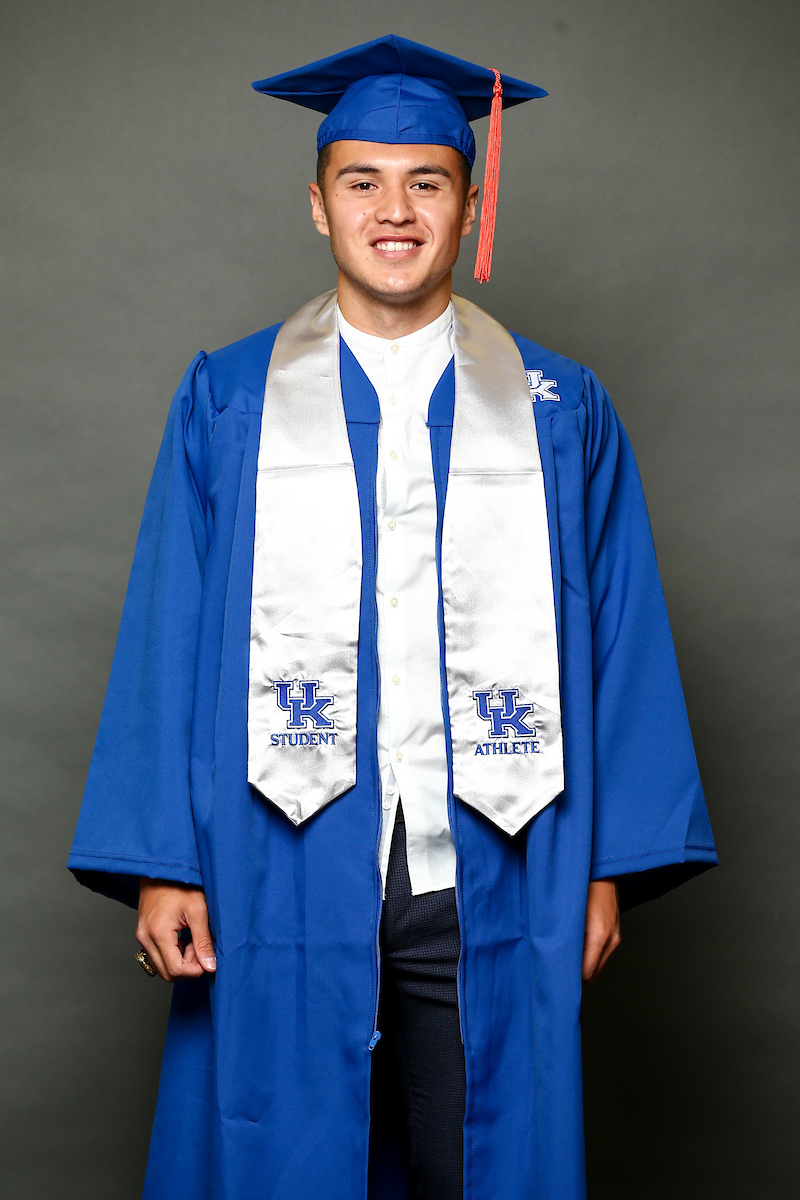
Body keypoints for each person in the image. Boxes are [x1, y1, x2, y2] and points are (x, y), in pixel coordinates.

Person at [68, 34, 717, 1200]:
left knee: (476, 1158)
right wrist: (164, 862)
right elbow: (169, 629)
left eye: (427, 181)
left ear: (468, 204)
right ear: (317, 205)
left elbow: (623, 638)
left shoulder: (559, 409)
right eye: (361, 181)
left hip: (493, 865)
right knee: (290, 1155)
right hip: (279, 852)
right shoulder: (229, 397)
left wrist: (606, 868)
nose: (394, 211)